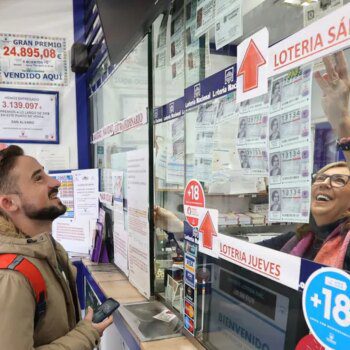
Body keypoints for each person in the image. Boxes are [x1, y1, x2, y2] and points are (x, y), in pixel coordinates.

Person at [155, 51, 350, 270]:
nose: (324, 183)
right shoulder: (298, 239)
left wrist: (342, 123)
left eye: (339, 181)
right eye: (321, 177)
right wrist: (181, 227)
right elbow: (236, 253)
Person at [0, 146, 113, 349]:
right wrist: (86, 335)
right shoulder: (11, 277)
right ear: (9, 203)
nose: (56, 182)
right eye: (38, 178)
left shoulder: (45, 250)